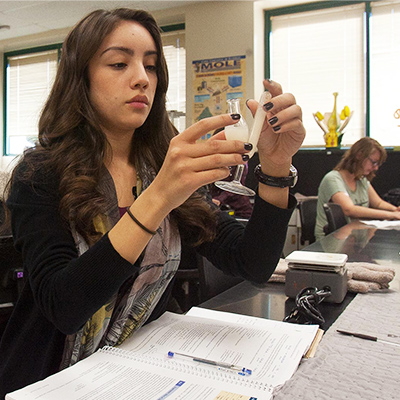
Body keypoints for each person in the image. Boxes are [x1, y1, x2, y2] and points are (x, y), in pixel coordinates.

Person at [0, 8, 305, 397]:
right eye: (118, 63)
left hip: (141, 373)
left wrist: (276, 168)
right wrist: (159, 196)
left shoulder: (160, 164)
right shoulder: (40, 173)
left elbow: (253, 262)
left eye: (151, 65)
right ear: (81, 78)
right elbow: (65, 308)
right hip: (49, 380)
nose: (142, 78)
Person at [315, 137, 400, 240]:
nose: (376, 168)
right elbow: (349, 209)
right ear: (359, 155)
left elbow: (378, 203)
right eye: (374, 162)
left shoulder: (361, 180)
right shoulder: (333, 179)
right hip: (332, 241)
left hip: (354, 239)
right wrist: (393, 215)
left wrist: (396, 209)